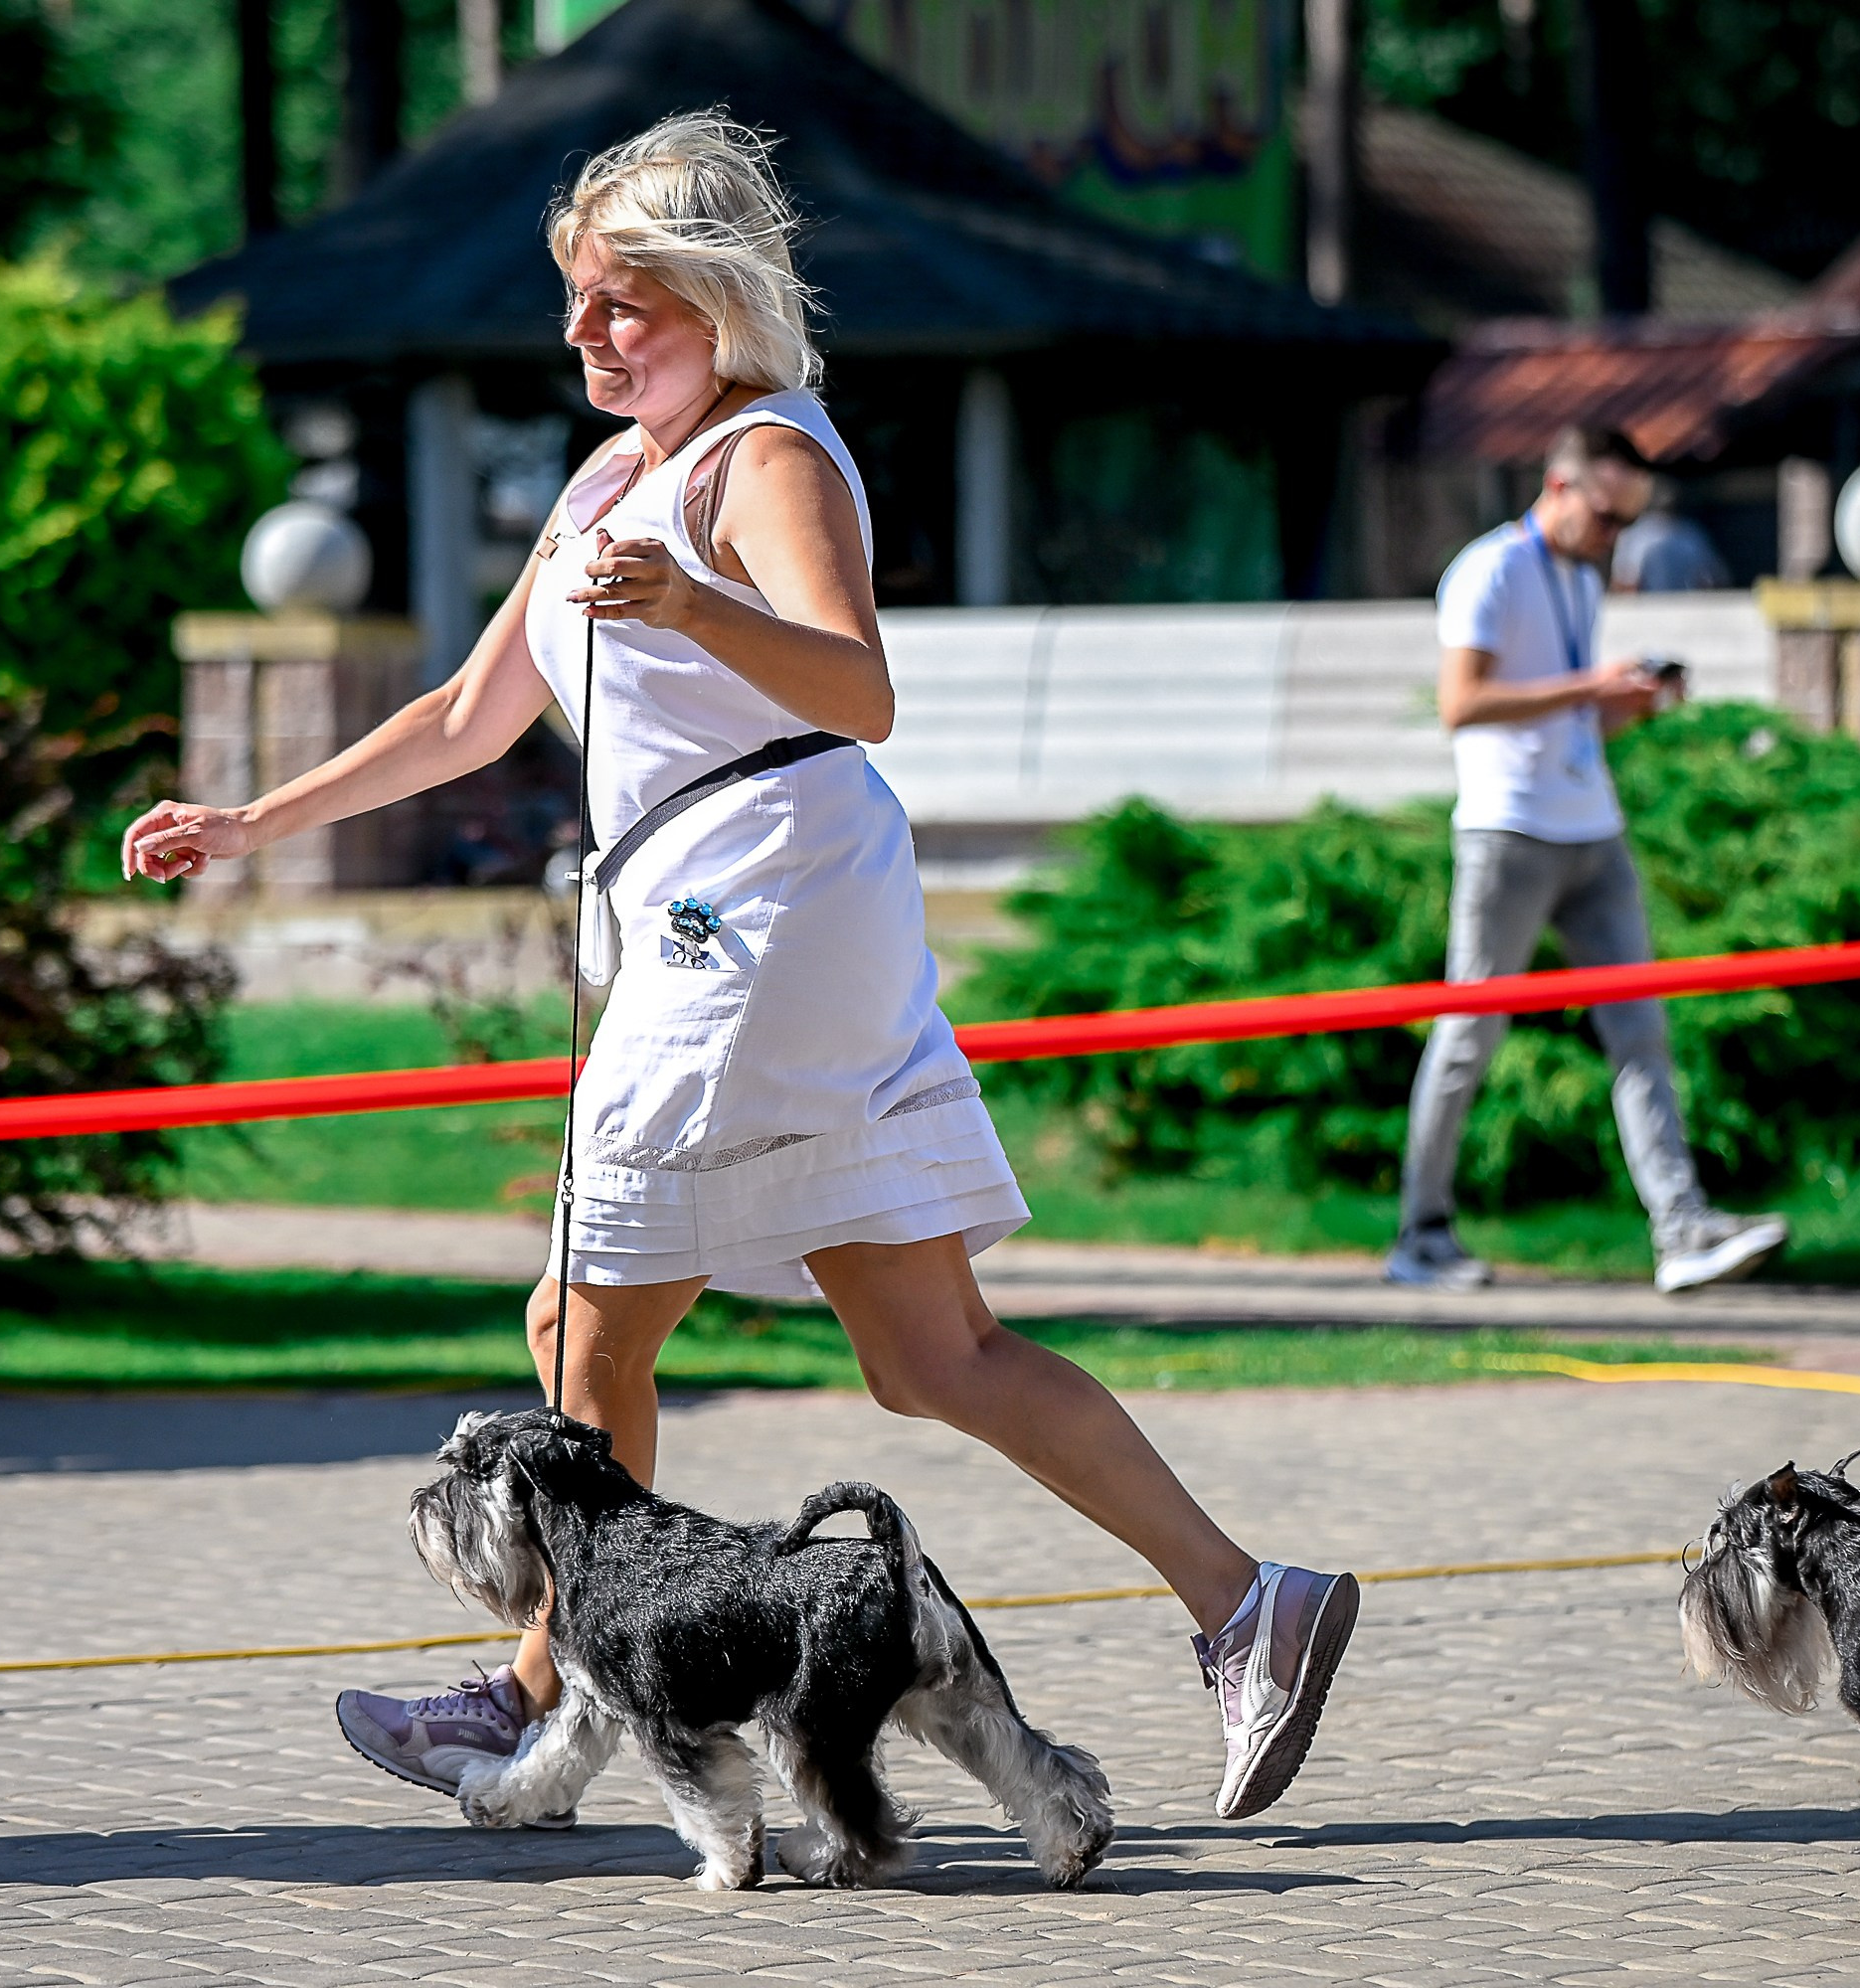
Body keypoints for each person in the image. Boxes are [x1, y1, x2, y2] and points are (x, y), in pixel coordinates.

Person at [122, 111, 1359, 1830]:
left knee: (581, 1316)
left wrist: (692, 609)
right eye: (576, 303)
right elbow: (469, 716)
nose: (587, 334)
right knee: (933, 1360)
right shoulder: (607, 477)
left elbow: (858, 689)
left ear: (717, 297)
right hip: (747, 913)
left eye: (624, 303)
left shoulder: (764, 452)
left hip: (760, 909)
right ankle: (1251, 1603)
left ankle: (539, 1707)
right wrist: (257, 818)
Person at [1385, 426, 1787, 1297]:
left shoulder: (1577, 576)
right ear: (1559, 486)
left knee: (1640, 1030)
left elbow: (1569, 720)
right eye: (1607, 517)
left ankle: (1680, 1229)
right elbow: (1464, 704)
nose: (1614, 538)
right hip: (1507, 832)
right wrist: (1589, 687)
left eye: (1628, 524)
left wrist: (1631, 704)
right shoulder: (1489, 571)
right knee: (1469, 1037)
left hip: (1590, 827)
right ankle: (1421, 1235)